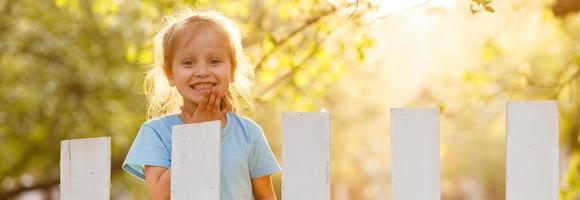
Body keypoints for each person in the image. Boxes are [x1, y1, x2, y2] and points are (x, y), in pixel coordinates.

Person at [122, 8, 280, 200]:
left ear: (232, 70)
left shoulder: (248, 133)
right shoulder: (156, 132)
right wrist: (196, 135)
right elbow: (162, 195)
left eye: (214, 61)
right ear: (170, 73)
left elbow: (265, 196)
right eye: (188, 62)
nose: (202, 71)